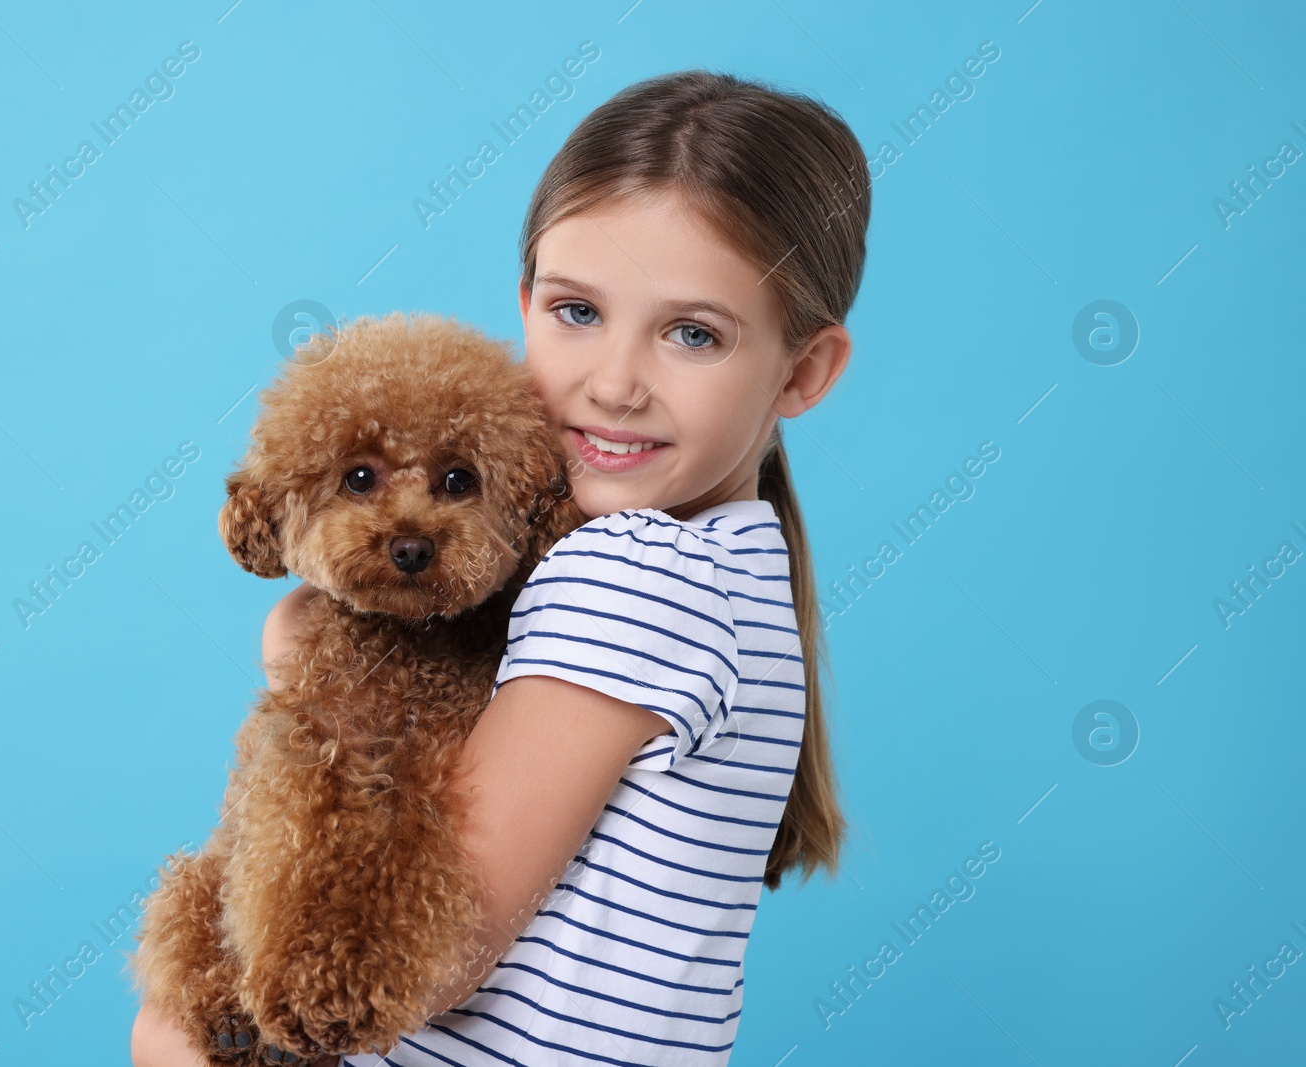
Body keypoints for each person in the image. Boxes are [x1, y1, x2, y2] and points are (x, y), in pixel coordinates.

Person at [133, 67, 865, 1066]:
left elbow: (432, 961)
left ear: (804, 370)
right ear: (522, 303)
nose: (614, 382)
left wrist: (304, 663)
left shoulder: (632, 576)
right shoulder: (729, 569)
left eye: (692, 333)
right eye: (576, 312)